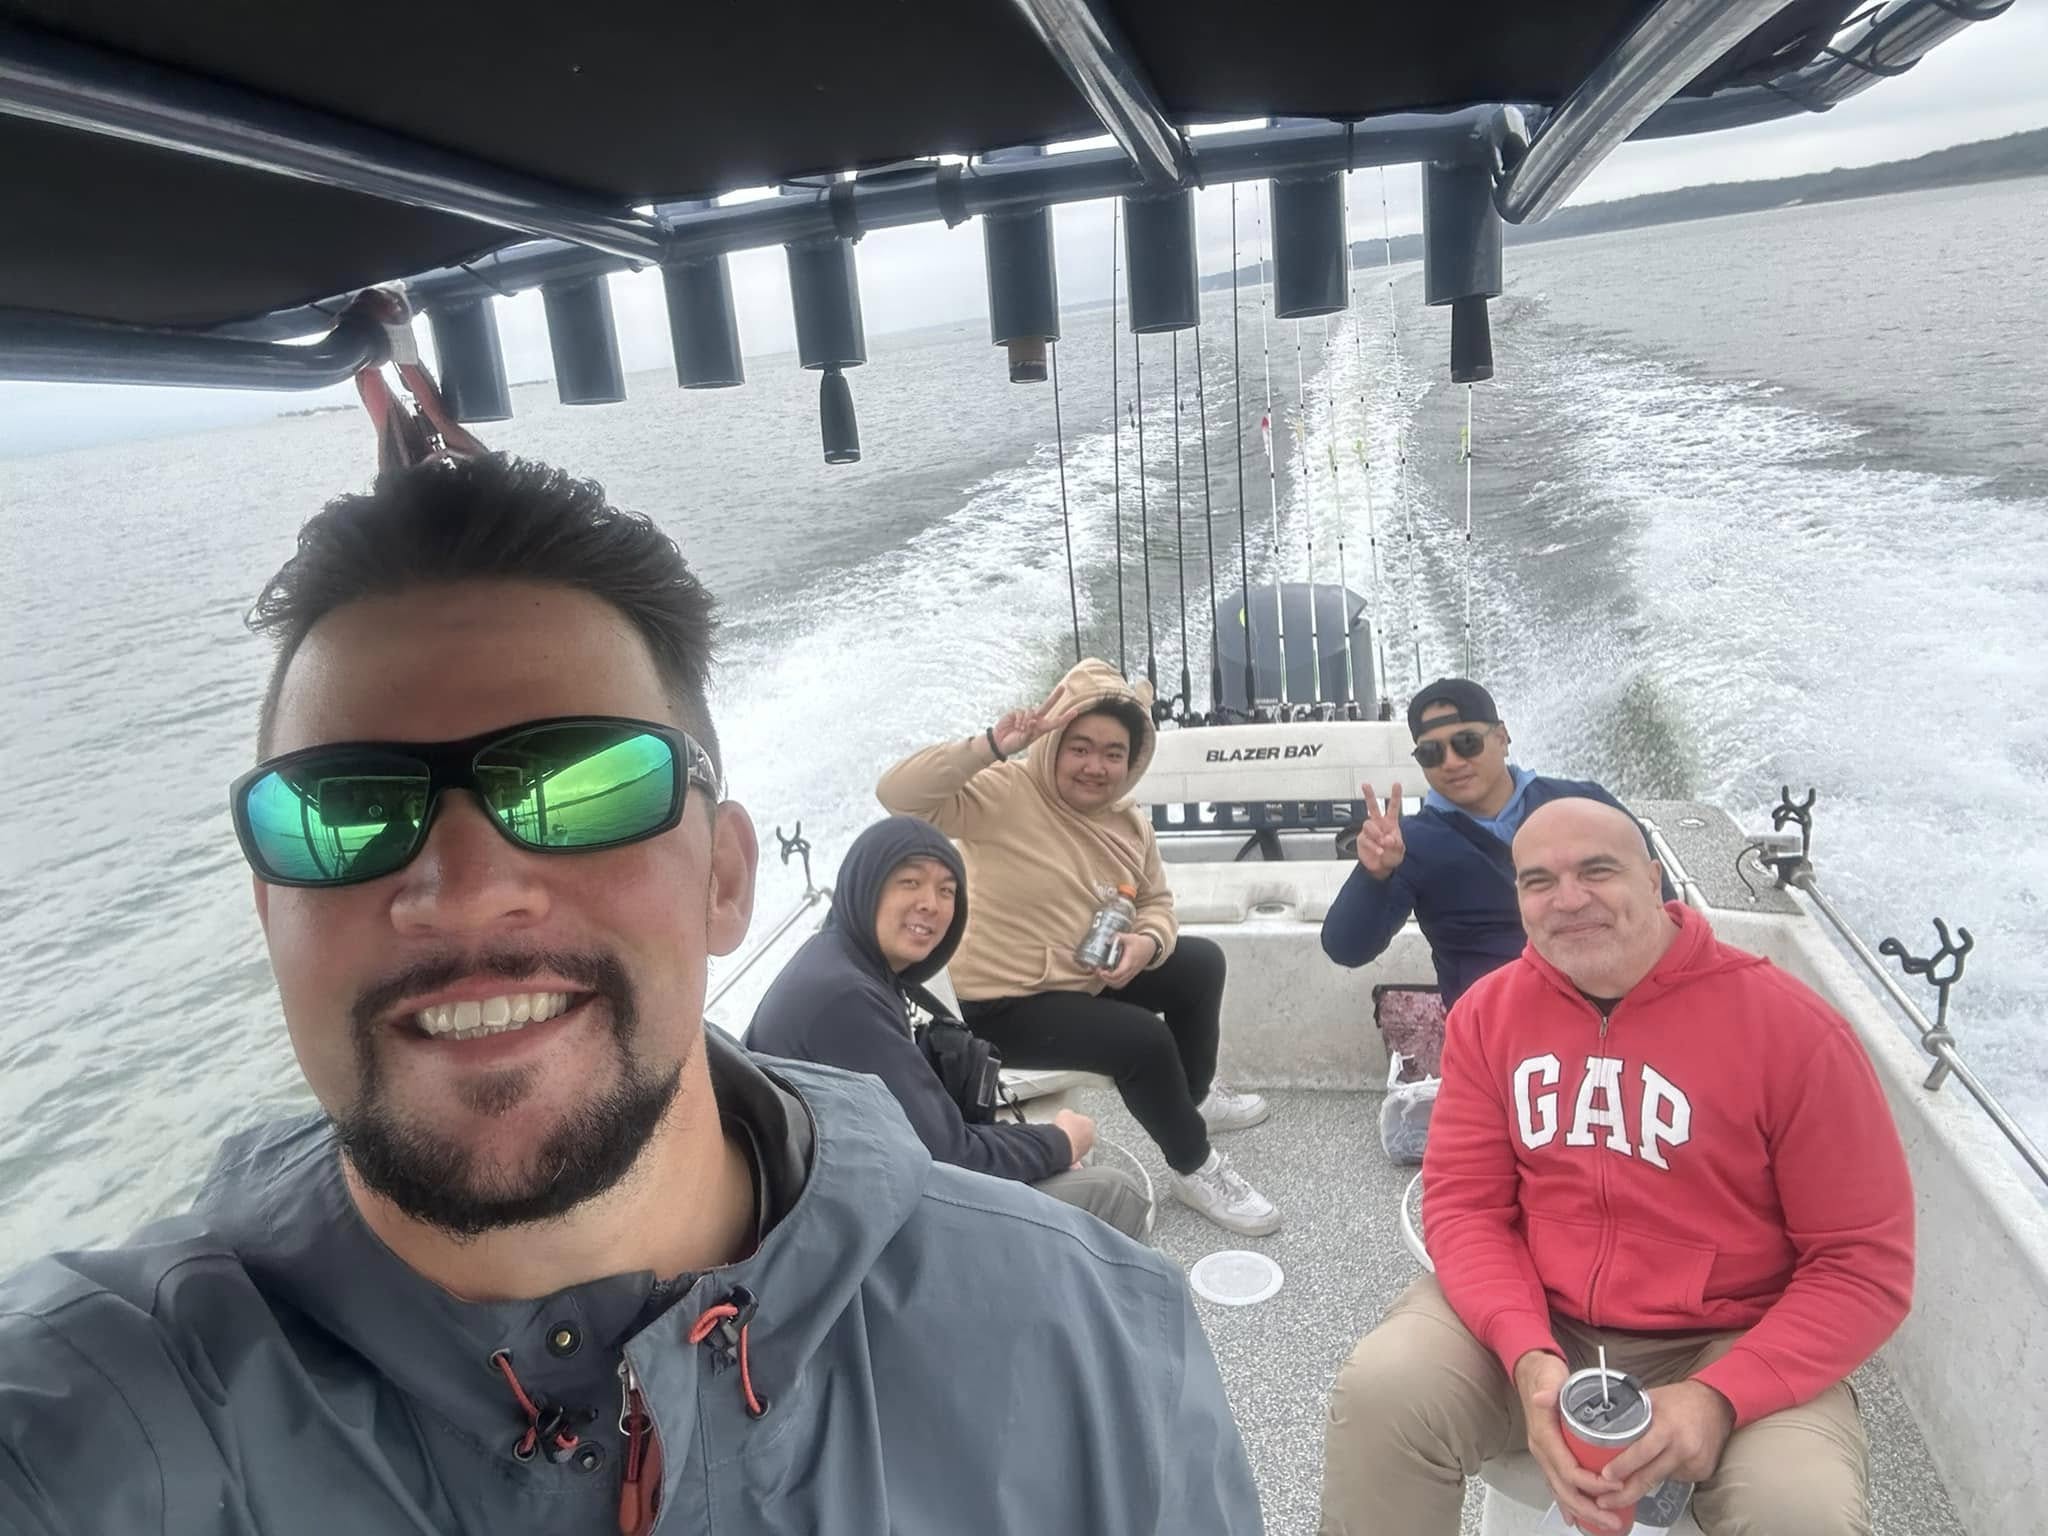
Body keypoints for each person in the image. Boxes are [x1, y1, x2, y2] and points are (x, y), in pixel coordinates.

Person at [0, 456, 1263, 1535]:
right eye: (343, 811)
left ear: (725, 880)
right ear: (269, 908)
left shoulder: (1097, 1349)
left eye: (580, 786)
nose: (463, 891)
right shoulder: (82, 1439)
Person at [1319, 796, 1914, 1535]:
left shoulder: (1796, 1033)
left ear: (1655, 879)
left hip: (1731, 1336)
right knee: (1384, 1395)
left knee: (1799, 1509)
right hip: (1538, 1314)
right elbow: (1467, 1209)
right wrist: (1527, 1355)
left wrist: (1720, 1396)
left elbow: (1863, 1263)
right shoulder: (1488, 1016)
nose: (1568, 899)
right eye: (1538, 881)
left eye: (1597, 870)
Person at [877, 659, 1280, 1237]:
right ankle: (1195, 1166)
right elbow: (897, 794)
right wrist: (992, 745)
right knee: (1142, 1040)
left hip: (1085, 975)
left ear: (1132, 760)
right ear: (1053, 746)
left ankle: (1192, 1100)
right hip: (1005, 1001)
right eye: (1080, 748)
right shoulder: (1003, 792)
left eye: (1114, 753)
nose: (1096, 767)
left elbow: (1157, 902)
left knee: (1200, 964)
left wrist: (1146, 942)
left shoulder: (1128, 823)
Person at [745, 814, 1151, 1238]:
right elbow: (949, 1159)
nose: (931, 904)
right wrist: (1060, 1142)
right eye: (909, 882)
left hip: (840, 1196)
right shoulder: (846, 998)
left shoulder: (842, 963)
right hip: (842, 1237)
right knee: (1112, 1193)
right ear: (865, 885)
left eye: (946, 890)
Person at [1321, 677, 1663, 1009]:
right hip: (1496, 1028)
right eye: (1431, 752)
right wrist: (1374, 876)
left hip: (1616, 1009)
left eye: (1467, 742)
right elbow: (1346, 949)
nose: (1451, 762)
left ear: (1502, 738)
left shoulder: (1585, 804)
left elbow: (1661, 905)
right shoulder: (1408, 844)